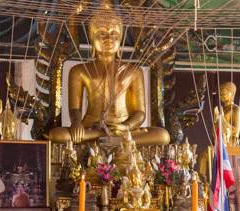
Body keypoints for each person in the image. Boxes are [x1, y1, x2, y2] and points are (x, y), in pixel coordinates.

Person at [48, 9, 169, 146]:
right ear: (92, 38)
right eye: (102, 33)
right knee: (56, 135)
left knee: (162, 135)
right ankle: (112, 139)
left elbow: (140, 112)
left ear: (121, 39)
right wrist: (76, 123)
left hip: (123, 129)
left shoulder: (133, 71)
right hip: (92, 127)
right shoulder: (79, 71)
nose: (108, 39)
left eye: (114, 34)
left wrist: (126, 126)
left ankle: (110, 138)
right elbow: (75, 109)